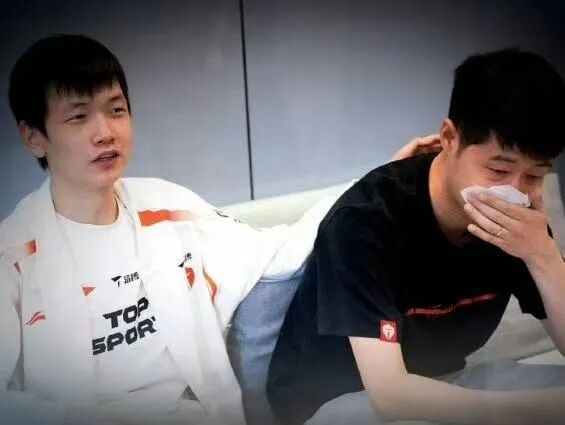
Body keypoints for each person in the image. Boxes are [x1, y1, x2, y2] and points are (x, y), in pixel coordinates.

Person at [0, 34, 429, 425]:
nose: (105, 133)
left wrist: (380, 180)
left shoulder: (166, 207)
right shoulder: (12, 256)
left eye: (116, 110)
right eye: (78, 117)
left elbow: (277, 250)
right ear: (34, 137)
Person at [267, 48, 565, 425]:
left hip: (442, 383)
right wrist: (541, 410)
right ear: (449, 137)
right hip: (335, 402)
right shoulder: (364, 222)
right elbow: (391, 395)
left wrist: (544, 256)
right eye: (498, 170)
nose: (513, 191)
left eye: (535, 175)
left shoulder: (521, 218)